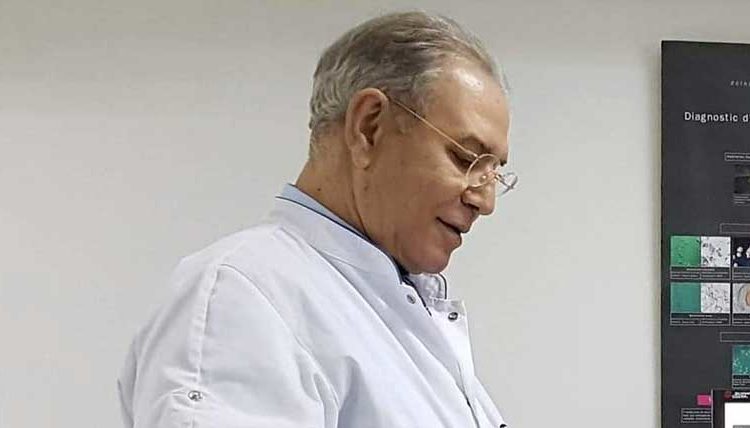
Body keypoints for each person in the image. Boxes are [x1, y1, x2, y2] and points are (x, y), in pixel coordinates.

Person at [117, 11, 516, 428]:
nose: (485, 201)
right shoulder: (243, 298)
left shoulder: (390, 311)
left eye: (495, 173)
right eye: (467, 158)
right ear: (369, 127)